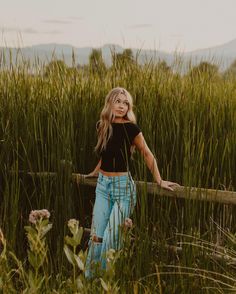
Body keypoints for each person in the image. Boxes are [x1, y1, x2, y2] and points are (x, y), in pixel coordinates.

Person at [84, 87, 179, 278]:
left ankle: (105, 281)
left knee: (111, 238)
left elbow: (146, 153)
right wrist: (95, 172)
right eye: (118, 101)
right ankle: (89, 280)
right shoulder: (102, 125)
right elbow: (106, 153)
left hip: (123, 189)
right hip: (103, 187)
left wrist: (159, 180)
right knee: (96, 237)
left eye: (125, 103)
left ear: (129, 107)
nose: (121, 106)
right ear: (109, 103)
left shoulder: (131, 128)